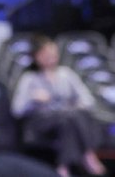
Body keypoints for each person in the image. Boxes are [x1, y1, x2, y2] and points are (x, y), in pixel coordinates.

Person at [11, 35, 106, 176]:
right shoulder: (29, 78)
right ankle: (87, 154)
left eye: (53, 53)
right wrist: (33, 99)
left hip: (67, 119)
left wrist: (75, 104)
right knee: (68, 117)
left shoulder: (66, 74)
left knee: (72, 116)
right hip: (41, 123)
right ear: (36, 56)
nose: (52, 57)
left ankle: (64, 165)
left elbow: (88, 101)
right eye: (46, 54)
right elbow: (17, 110)